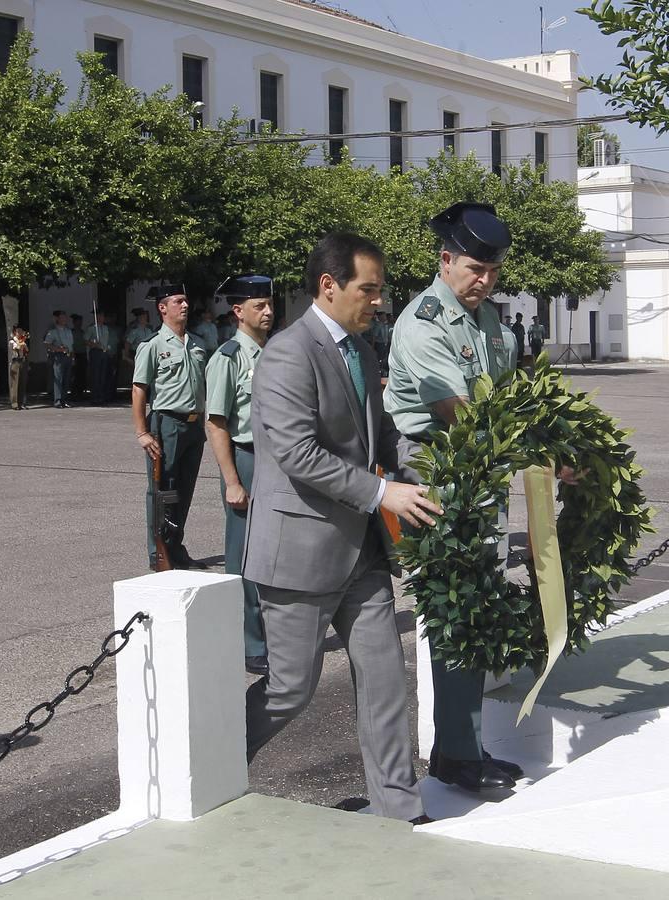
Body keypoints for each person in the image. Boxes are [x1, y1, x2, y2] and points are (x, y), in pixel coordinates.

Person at [243, 233, 439, 823]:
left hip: (363, 555)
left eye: (381, 290)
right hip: (300, 553)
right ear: (329, 286)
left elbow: (380, 438)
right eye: (369, 290)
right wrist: (384, 492)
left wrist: (432, 466)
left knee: (384, 681)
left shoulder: (363, 350)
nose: (378, 301)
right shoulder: (287, 352)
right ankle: (211, 764)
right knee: (289, 690)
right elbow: (298, 453)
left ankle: (399, 809)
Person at [384, 201, 532, 794]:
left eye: (493, 272)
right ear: (445, 261)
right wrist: (526, 444)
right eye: (475, 269)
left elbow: (512, 396)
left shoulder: (488, 322)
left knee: (477, 605)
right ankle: (457, 755)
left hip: (481, 467)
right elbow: (457, 411)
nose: (485, 281)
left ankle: (461, 749)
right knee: (454, 610)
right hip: (436, 467)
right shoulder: (422, 322)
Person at [204, 274, 275, 676]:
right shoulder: (227, 358)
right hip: (245, 459)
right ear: (238, 311)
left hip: (277, 460)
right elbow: (216, 425)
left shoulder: (273, 351)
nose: (267, 311)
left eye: (269, 304)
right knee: (244, 556)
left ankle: (272, 633)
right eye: (259, 306)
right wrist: (232, 480)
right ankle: (249, 642)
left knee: (274, 552)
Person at [132, 284, 207, 571]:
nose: (185, 306)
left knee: (184, 490)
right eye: (178, 301)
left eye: (186, 301)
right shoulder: (152, 345)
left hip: (193, 425)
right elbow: (139, 390)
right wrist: (142, 432)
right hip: (166, 424)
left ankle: (175, 547)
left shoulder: (197, 343)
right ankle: (158, 553)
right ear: (163, 308)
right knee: (162, 490)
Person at [43, 310, 74, 408]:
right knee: (58, 379)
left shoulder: (68, 331)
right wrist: (57, 349)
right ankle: (58, 400)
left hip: (68, 355)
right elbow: (47, 344)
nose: (64, 319)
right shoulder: (52, 331)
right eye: (62, 318)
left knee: (66, 378)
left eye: (65, 317)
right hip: (58, 356)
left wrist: (73, 357)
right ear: (57, 319)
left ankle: (64, 400)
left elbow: (71, 345)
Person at [85, 310, 117, 404]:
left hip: (104, 352)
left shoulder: (106, 328)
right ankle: (95, 396)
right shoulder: (92, 328)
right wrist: (94, 344)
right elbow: (86, 341)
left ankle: (102, 396)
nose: (101, 318)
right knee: (96, 375)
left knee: (103, 375)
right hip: (95, 352)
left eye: (103, 316)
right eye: (99, 316)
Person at [8, 326, 30, 410]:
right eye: (18, 331)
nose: (20, 333)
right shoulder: (12, 341)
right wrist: (22, 343)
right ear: (14, 333)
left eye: (21, 331)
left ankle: (22, 403)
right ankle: (15, 404)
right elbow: (16, 348)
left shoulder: (22, 341)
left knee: (22, 382)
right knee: (15, 384)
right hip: (16, 362)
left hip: (23, 361)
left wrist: (24, 344)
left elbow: (27, 350)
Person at [70, 314, 87, 401]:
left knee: (82, 374)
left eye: (80, 321)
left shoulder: (83, 332)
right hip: (75, 354)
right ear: (74, 322)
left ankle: (81, 392)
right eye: (77, 321)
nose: (79, 323)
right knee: (74, 375)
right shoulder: (71, 332)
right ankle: (74, 393)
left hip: (82, 354)